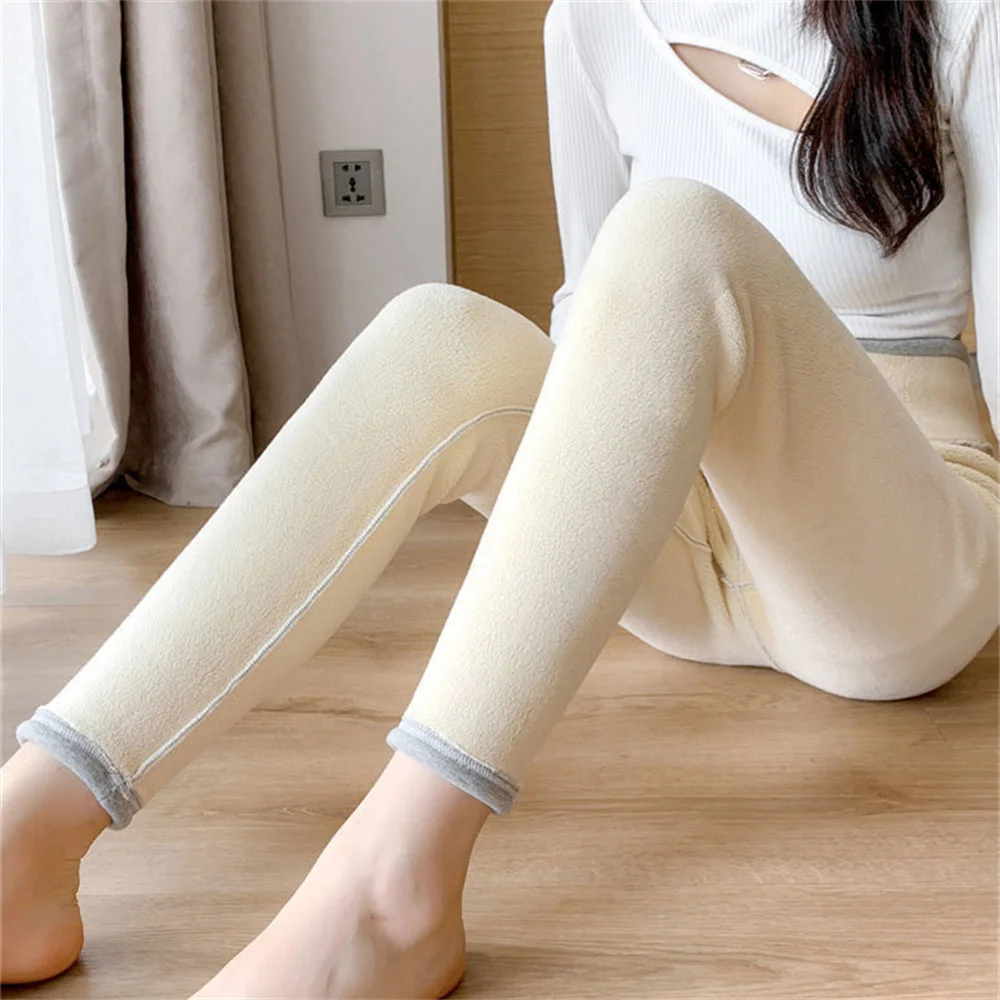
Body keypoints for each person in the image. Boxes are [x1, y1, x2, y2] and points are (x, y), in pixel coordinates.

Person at [3, 0, 997, 995]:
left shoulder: (964, 23)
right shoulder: (595, 23)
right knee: (438, 333)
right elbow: (592, 308)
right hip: (696, 549)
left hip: (895, 560)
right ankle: (35, 825)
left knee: (672, 226)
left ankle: (394, 891)